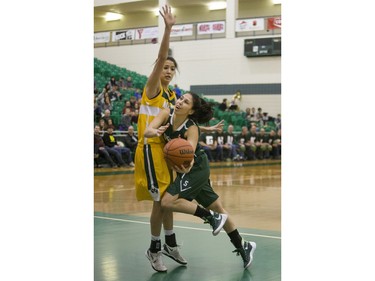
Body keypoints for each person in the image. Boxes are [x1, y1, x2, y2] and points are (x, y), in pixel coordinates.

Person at [134, 4, 224, 273]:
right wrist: (169, 29)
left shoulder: (172, 96)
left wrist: (204, 130)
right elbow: (161, 57)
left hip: (165, 150)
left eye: (173, 69)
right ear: (158, 69)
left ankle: (170, 244)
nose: (169, 70)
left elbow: (179, 123)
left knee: (169, 198)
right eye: (166, 67)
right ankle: (153, 248)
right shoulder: (152, 89)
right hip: (149, 150)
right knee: (160, 202)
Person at [144, 92, 256, 269]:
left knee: (166, 202)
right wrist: (155, 131)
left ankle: (210, 217)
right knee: (218, 207)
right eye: (180, 99)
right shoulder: (166, 113)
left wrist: (187, 166)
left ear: (191, 111)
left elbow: (190, 154)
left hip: (195, 167)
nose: (180, 102)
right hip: (185, 170)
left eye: (185, 102)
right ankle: (243, 245)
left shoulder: (192, 128)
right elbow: (147, 130)